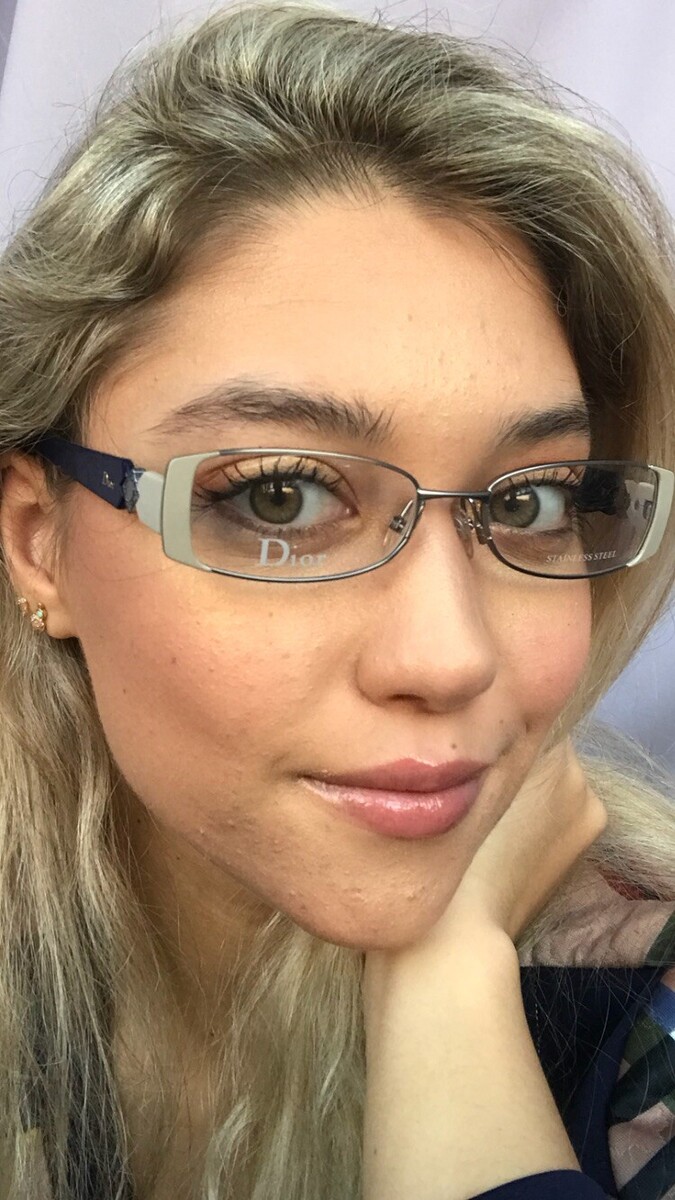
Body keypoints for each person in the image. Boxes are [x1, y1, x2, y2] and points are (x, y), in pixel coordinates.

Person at [0, 1, 673, 1196]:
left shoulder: (642, 1016)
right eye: (283, 496)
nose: (449, 658)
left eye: (529, 502)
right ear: (38, 542)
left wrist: (448, 994)